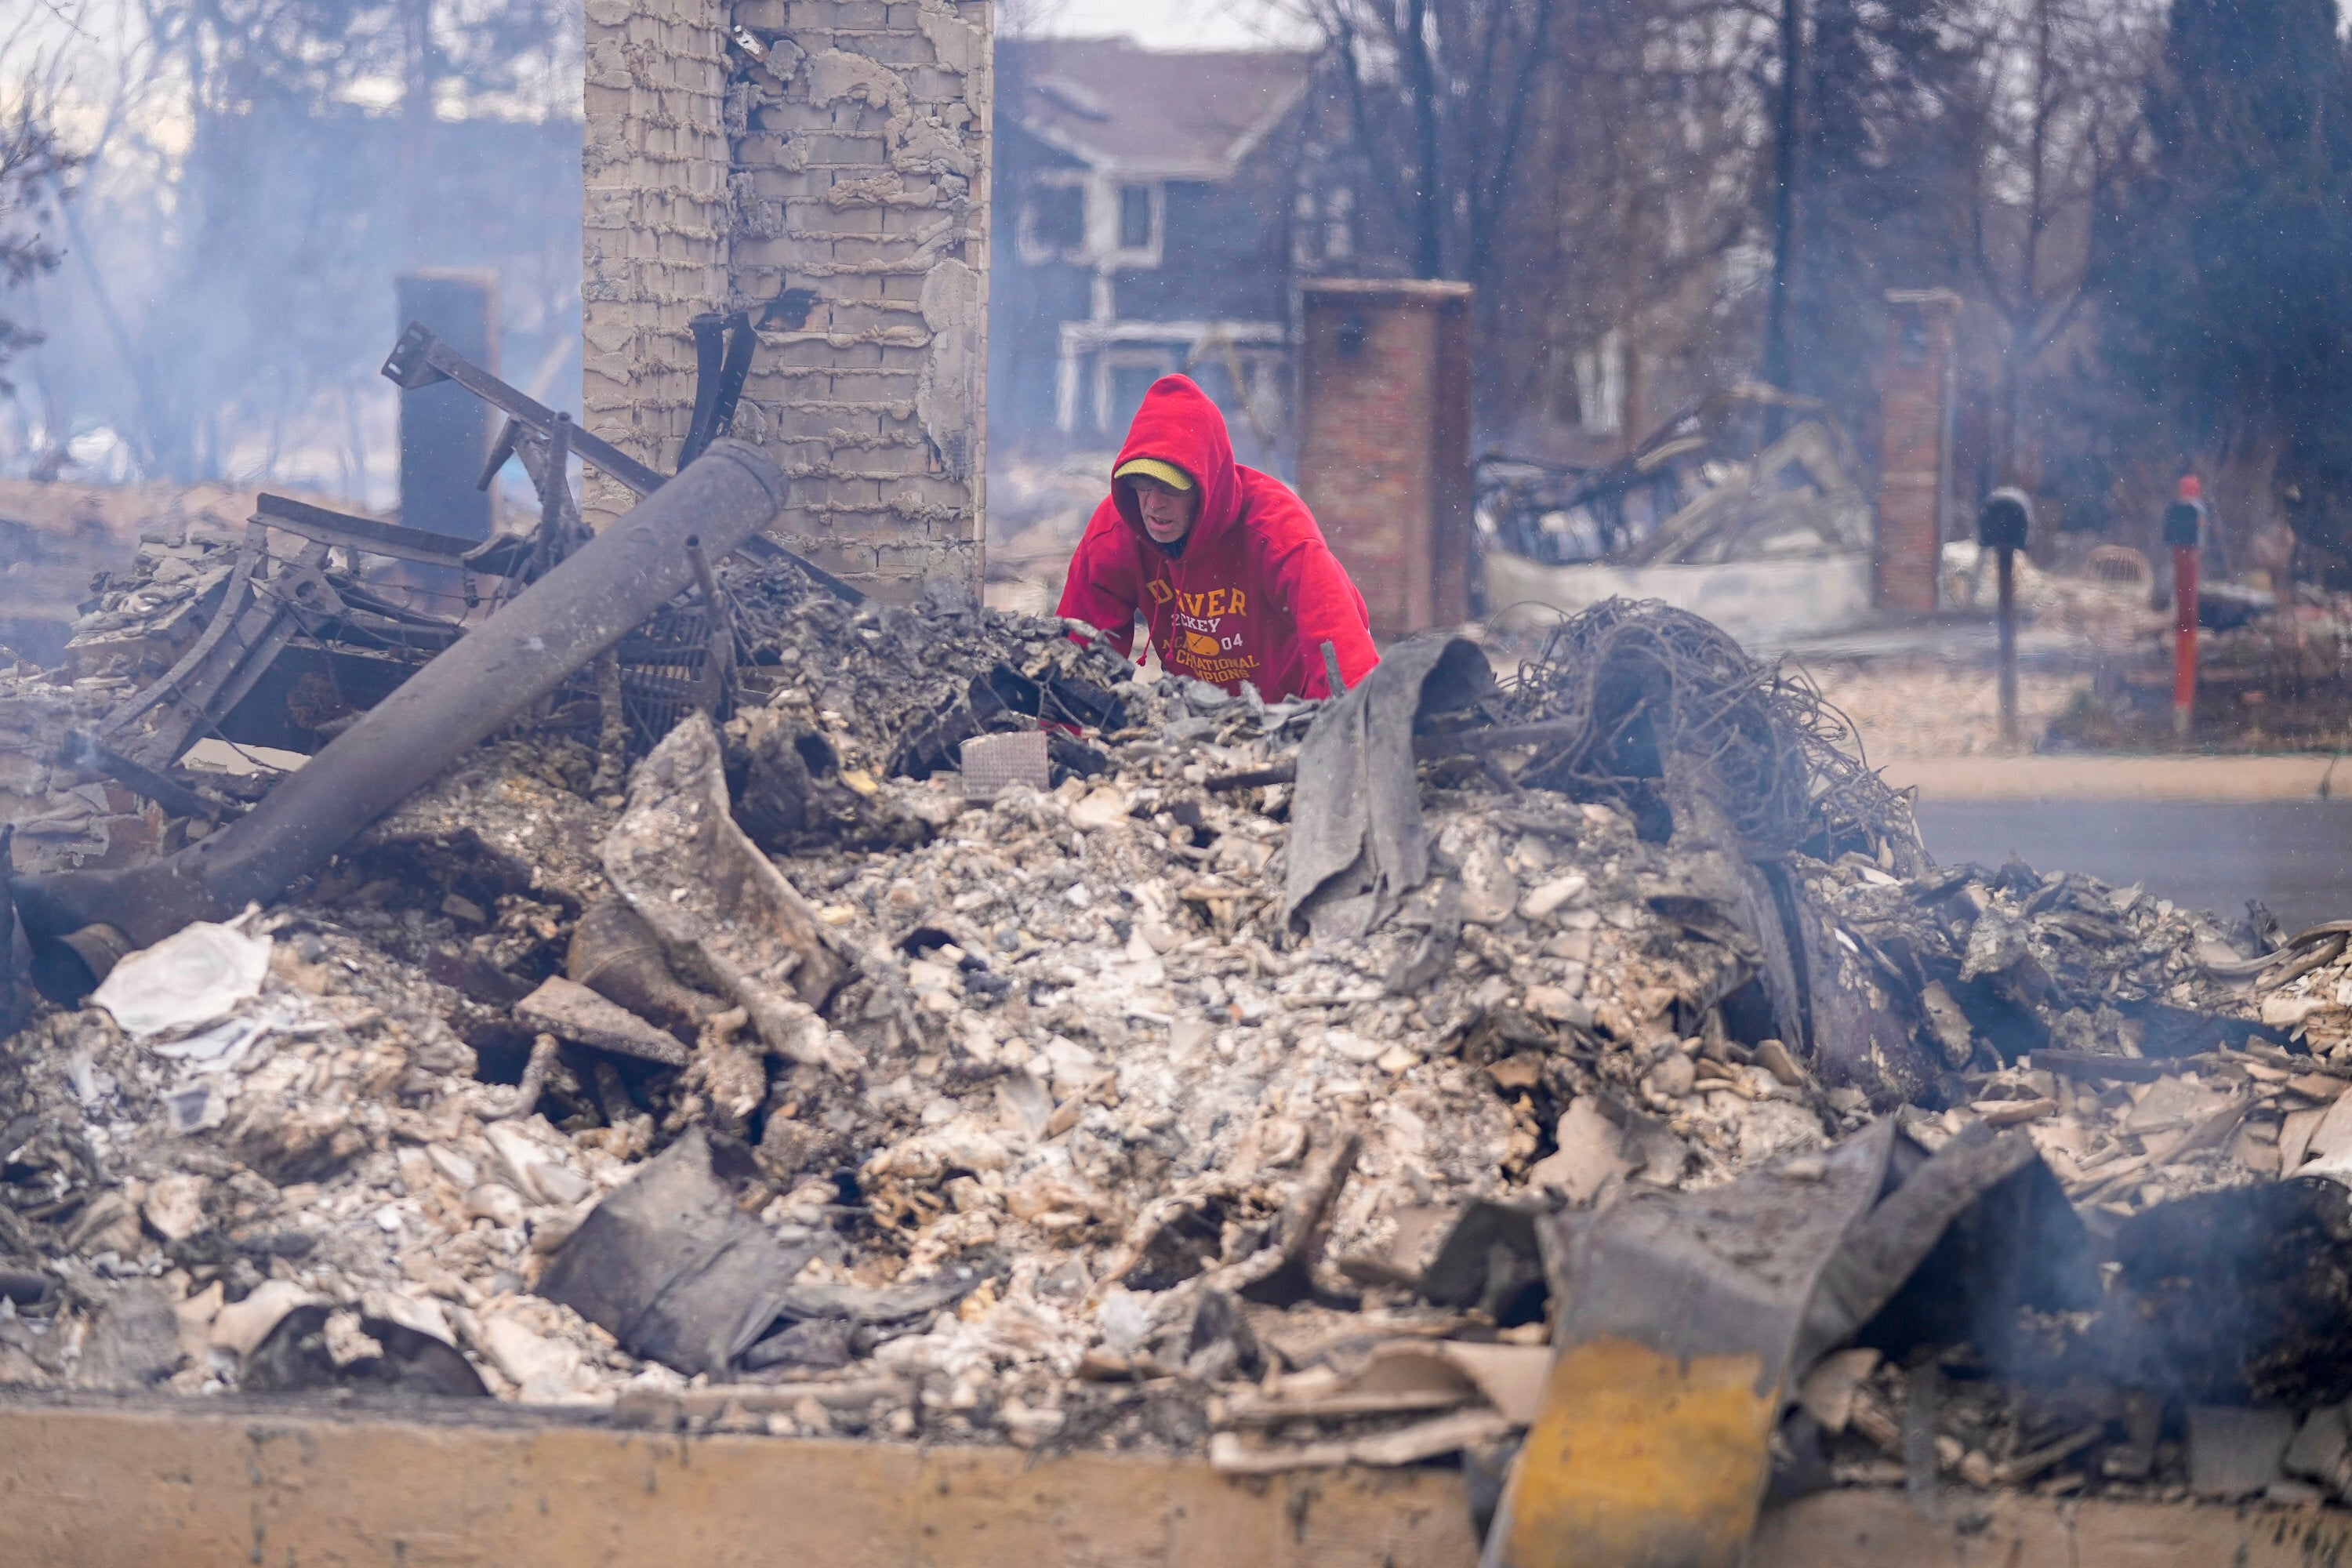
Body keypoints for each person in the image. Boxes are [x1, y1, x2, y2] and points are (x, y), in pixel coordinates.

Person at [1057, 374, 1378, 702]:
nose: (1153, 504)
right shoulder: (1116, 532)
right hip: (1196, 708)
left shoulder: (1278, 529)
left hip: (1293, 707)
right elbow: (1074, 659)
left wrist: (1344, 736)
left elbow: (1346, 657)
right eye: (1141, 483)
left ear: (1205, 484)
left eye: (1170, 486)